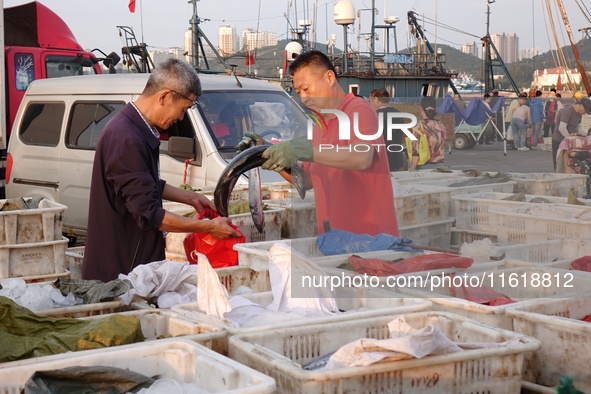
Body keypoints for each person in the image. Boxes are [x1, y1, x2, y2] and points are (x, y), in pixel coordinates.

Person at [82, 58, 239, 282]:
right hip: (121, 272)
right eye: (183, 109)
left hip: (133, 263)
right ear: (164, 97)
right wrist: (208, 227)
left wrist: (191, 197)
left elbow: (145, 184)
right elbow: (150, 215)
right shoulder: (126, 138)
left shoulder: (136, 128)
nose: (180, 118)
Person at [241, 50, 398, 236]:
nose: (303, 98)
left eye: (307, 89)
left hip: (371, 238)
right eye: (298, 92)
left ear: (329, 78)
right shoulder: (319, 127)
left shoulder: (358, 110)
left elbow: (362, 157)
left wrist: (304, 149)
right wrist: (272, 156)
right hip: (335, 238)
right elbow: (306, 181)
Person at [369, 88, 407, 171]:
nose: (370, 104)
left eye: (370, 101)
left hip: (380, 160)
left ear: (376, 99)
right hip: (396, 158)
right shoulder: (399, 114)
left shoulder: (374, 115)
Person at [407, 96, 447, 171]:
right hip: (441, 167)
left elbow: (416, 153)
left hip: (424, 168)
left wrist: (411, 170)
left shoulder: (419, 127)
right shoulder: (441, 126)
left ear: (421, 109)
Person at [551, 97, 591, 170]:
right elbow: (562, 128)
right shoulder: (568, 111)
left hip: (569, 142)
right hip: (559, 140)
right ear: (581, 106)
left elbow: (577, 126)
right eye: (585, 110)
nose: (585, 113)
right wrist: (570, 138)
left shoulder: (579, 114)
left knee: (569, 164)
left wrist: (585, 135)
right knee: (559, 164)